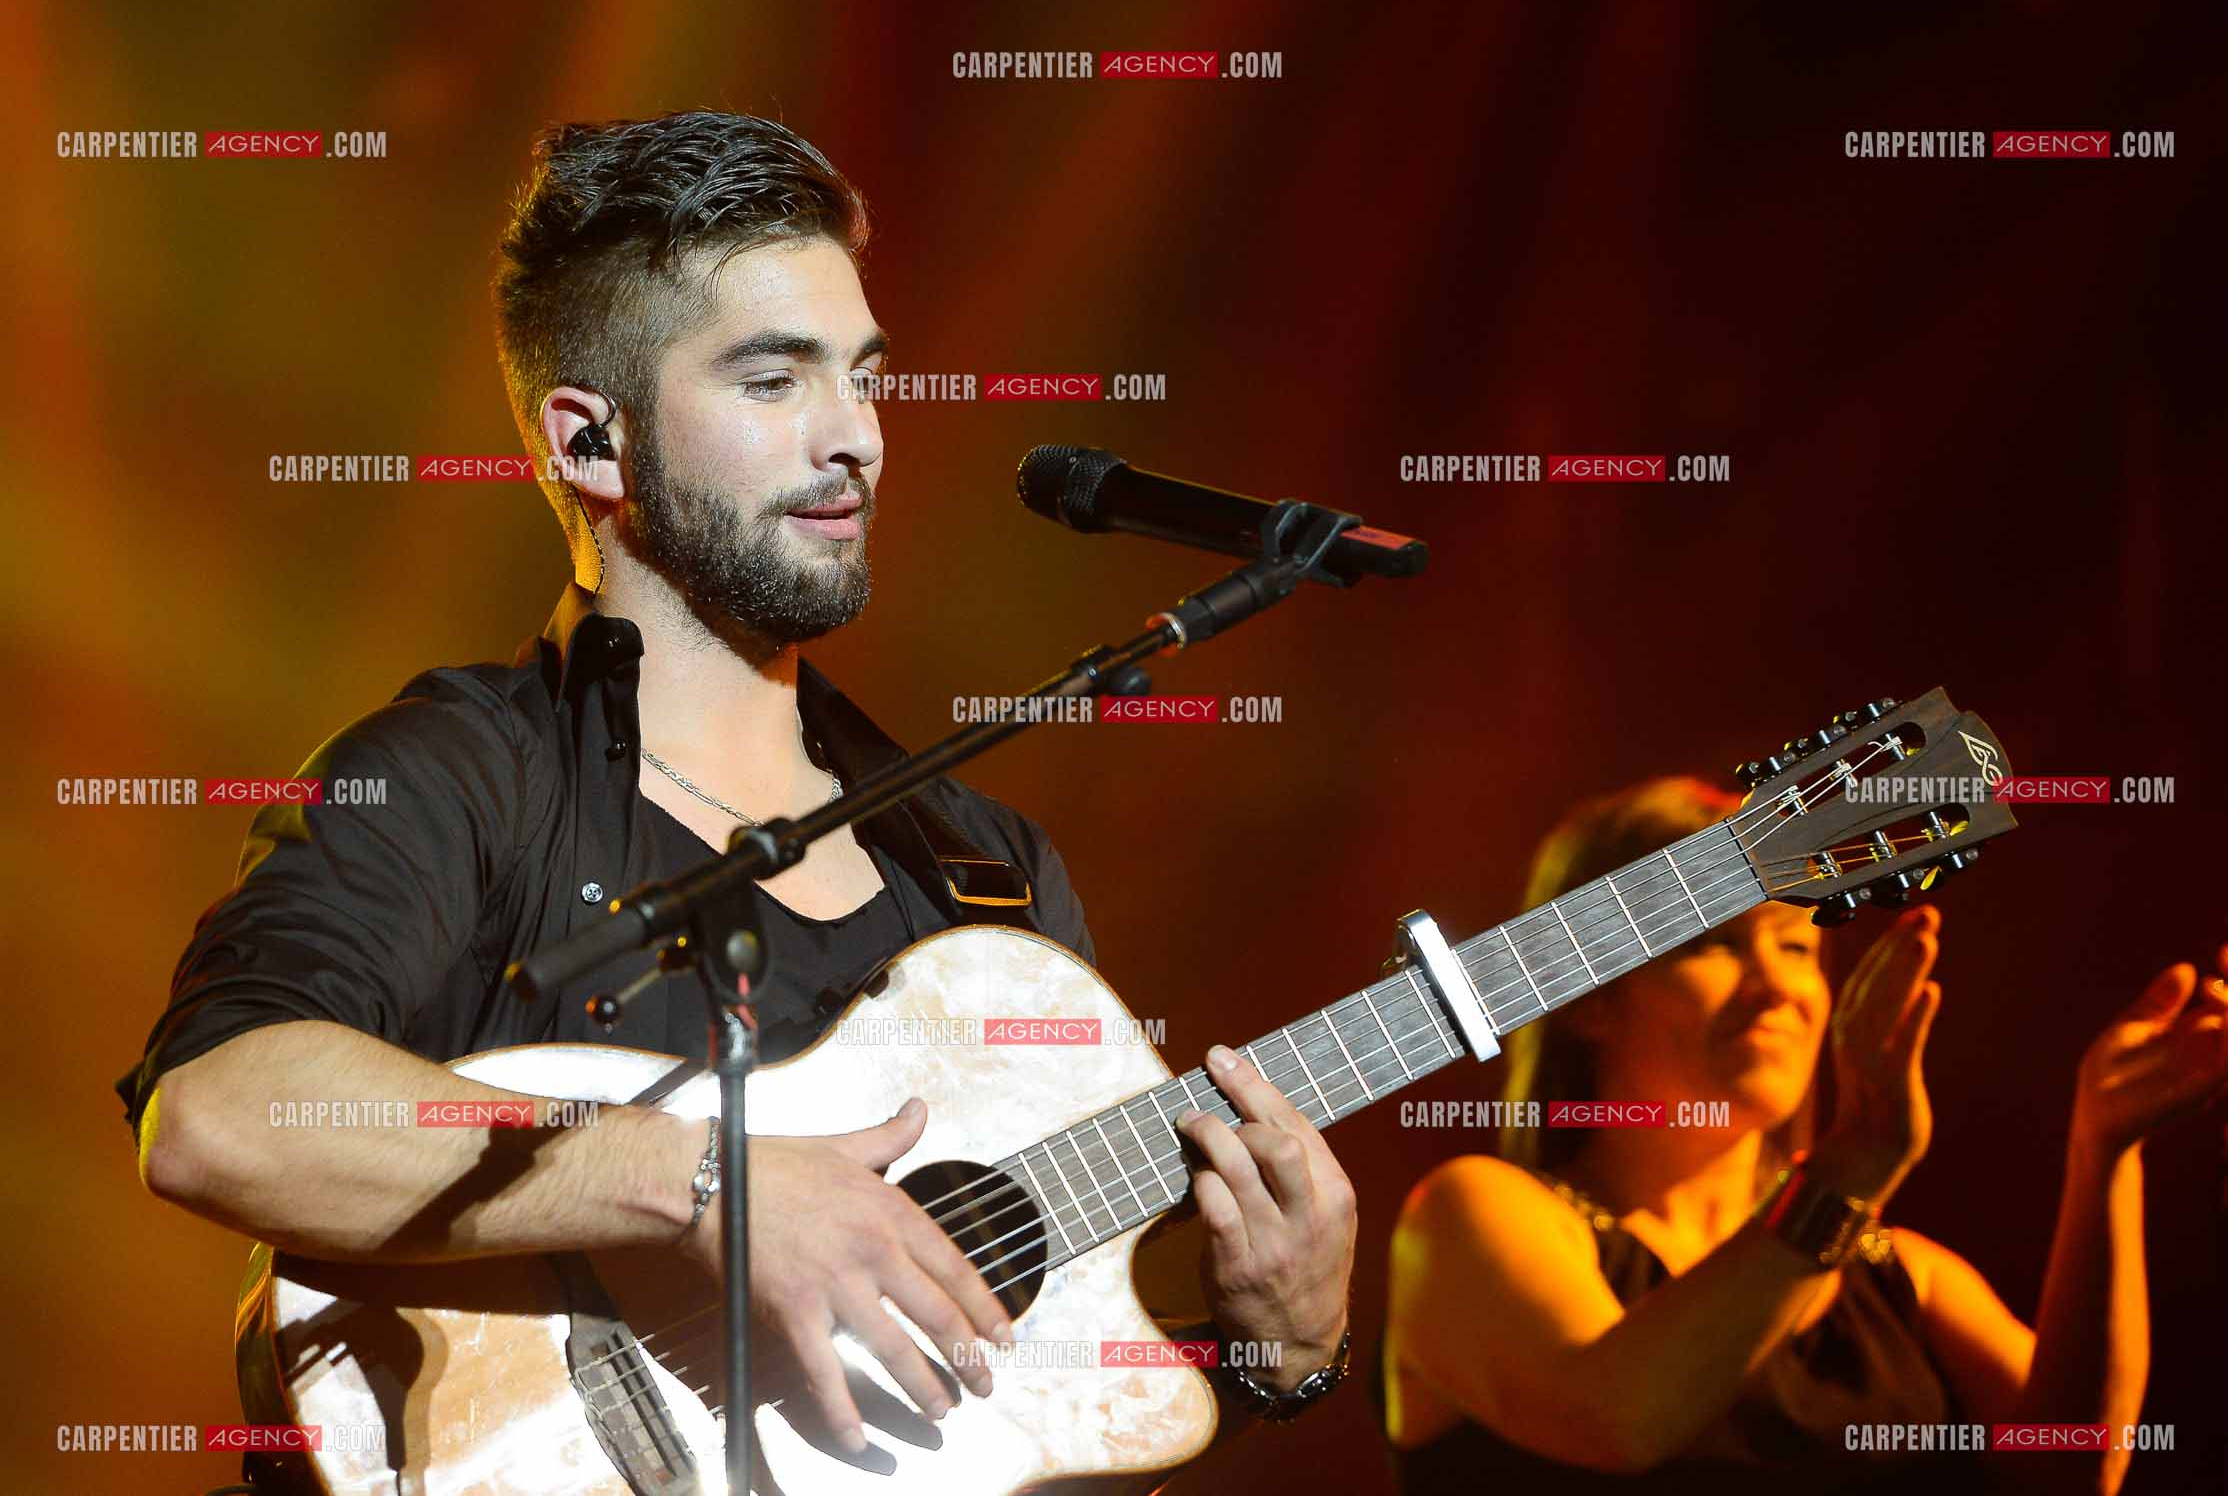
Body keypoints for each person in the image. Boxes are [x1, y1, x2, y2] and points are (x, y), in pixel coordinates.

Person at [118, 109, 1355, 1485]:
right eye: (775, 381)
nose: (856, 443)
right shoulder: (453, 774)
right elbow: (221, 1117)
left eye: (864, 378)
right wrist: (711, 1183)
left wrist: (1276, 1358)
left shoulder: (982, 873)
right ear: (591, 443)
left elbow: (1015, 1430)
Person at [1381, 775, 2228, 1494]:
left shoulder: (1900, 1274)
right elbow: (1619, 1420)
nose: (1776, 986)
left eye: (1795, 945)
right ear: (1591, 997)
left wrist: (2105, 1147)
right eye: (1714, 944)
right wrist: (1852, 1164)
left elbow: (2075, 1470)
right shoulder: (1473, 1216)